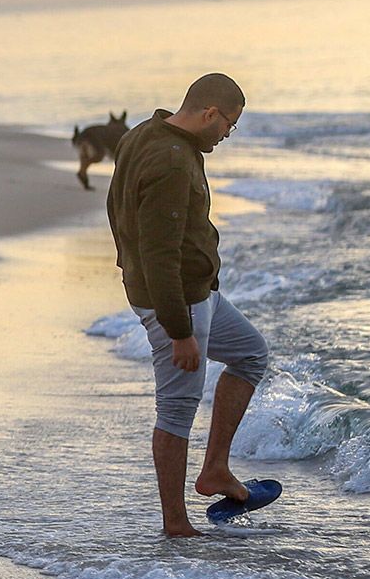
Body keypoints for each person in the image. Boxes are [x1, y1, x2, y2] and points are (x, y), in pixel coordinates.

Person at [107, 74, 273, 538]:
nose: (226, 135)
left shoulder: (144, 132)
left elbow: (116, 208)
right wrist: (179, 330)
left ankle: (215, 470)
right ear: (209, 113)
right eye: (228, 125)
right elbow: (160, 253)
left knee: (250, 354)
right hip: (175, 302)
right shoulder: (173, 162)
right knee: (177, 410)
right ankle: (176, 524)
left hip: (197, 295)